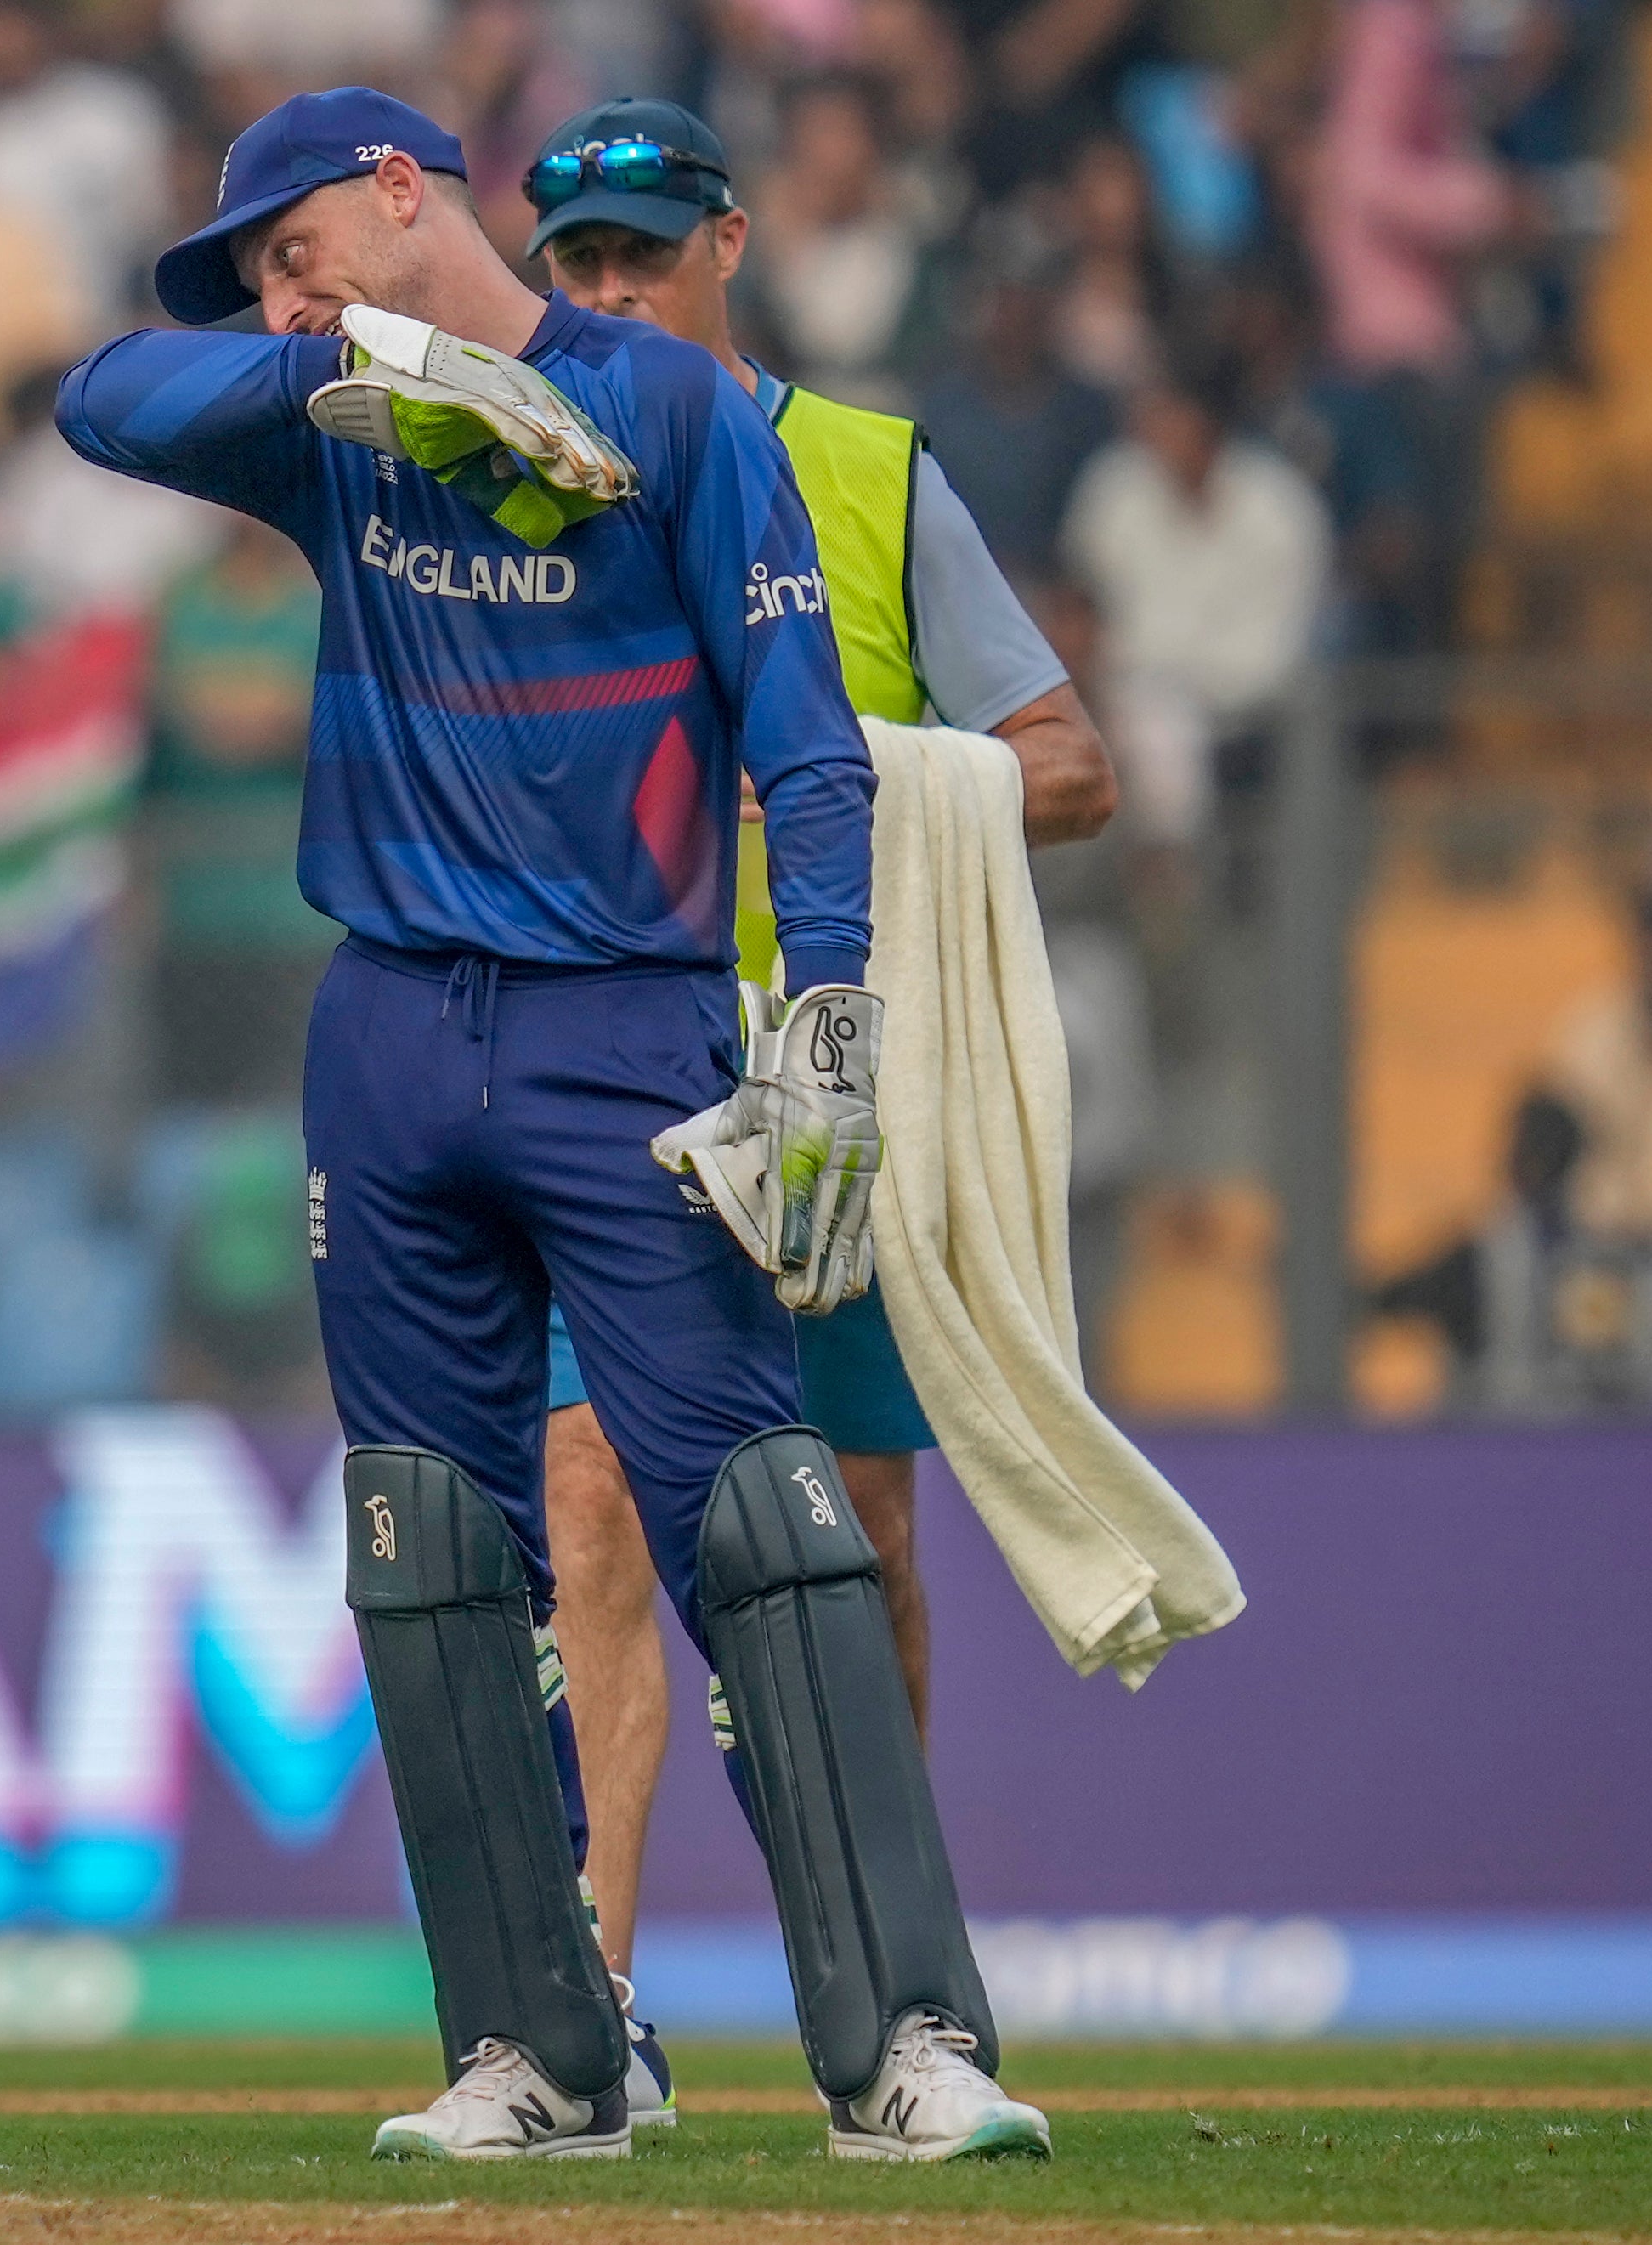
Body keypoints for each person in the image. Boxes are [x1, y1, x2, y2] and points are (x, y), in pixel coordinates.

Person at [58, 86, 1049, 2165]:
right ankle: (541, 2052)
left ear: (399, 186)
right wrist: (373, 362)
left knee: (763, 1524)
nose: (266, 280)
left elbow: (806, 741)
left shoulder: (675, 416)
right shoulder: (331, 420)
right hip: (392, 1036)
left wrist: (840, 1013)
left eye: (288, 242)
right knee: (430, 1552)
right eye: (251, 269)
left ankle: (904, 2048)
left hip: (632, 1033)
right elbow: (99, 398)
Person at [519, 97, 1118, 2108]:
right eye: (573, 265)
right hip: (608, 1060)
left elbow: (1062, 759)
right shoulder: (517, 481)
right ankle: (586, 2004)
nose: (604, 294)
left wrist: (834, 759)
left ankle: (888, 1994)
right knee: (591, 1488)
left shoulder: (860, 474)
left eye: (637, 256)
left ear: (728, 247)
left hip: (827, 1073)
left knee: (855, 1522)